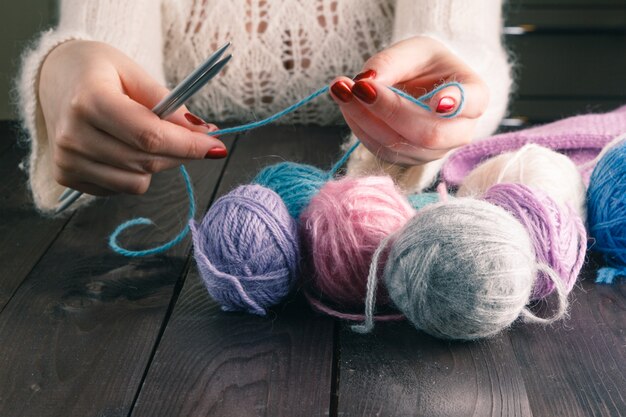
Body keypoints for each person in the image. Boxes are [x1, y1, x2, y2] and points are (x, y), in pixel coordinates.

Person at [17, 0, 511, 214]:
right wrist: (68, 66)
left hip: (388, 204)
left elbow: (460, 40)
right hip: (150, 215)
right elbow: (111, 45)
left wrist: (454, 93)